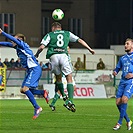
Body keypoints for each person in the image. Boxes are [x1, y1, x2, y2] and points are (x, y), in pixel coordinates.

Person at [35, 22, 95, 112]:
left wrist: (37, 54)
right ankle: (70, 100)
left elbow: (42, 47)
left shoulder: (50, 35)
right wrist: (89, 49)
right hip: (63, 55)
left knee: (58, 79)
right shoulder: (67, 33)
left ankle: (63, 96)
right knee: (69, 78)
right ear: (60, 28)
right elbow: (79, 40)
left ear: (53, 28)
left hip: (53, 56)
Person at [0, 28, 49, 119]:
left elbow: (13, 40)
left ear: (19, 40)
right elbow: (7, 44)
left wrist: (3, 33)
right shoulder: (17, 46)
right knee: (23, 90)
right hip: (31, 70)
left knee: (26, 88)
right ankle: (42, 92)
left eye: (14, 39)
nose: (12, 40)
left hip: (34, 69)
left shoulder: (22, 45)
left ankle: (37, 107)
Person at [112, 38, 133, 130]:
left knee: (124, 100)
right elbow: (117, 68)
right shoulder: (122, 58)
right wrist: (115, 72)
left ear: (132, 45)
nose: (125, 45)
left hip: (130, 81)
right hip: (122, 81)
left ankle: (119, 122)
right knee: (118, 103)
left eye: (127, 44)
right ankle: (128, 120)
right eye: (125, 44)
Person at [49, 46, 76, 111]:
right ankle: (53, 104)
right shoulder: (63, 56)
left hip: (69, 74)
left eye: (69, 49)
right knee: (60, 91)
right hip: (64, 75)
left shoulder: (68, 56)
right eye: (67, 49)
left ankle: (67, 101)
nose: (68, 50)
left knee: (74, 87)